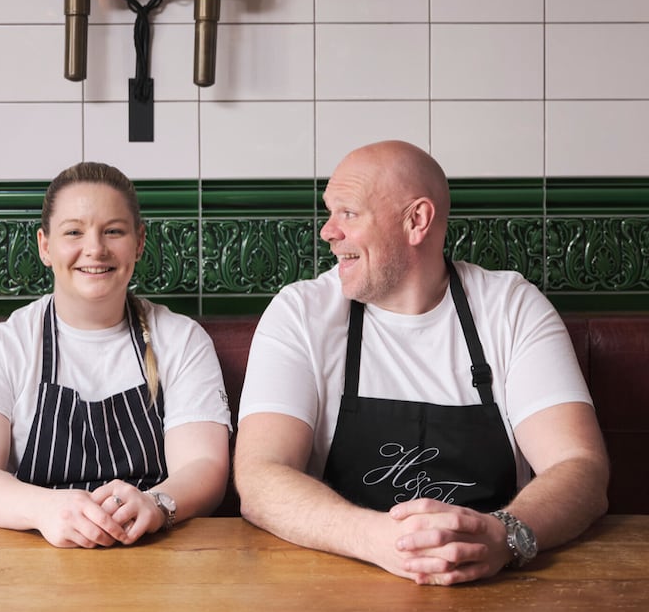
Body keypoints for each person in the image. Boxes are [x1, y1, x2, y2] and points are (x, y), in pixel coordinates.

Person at [234, 140, 609, 586]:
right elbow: (259, 477)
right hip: (341, 579)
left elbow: (580, 465)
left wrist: (502, 535)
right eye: (330, 213)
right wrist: (380, 541)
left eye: (348, 214)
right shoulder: (299, 313)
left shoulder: (510, 307)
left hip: (495, 583)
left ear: (417, 221)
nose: (328, 232)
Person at [0, 161, 231, 548]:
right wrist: (45, 509)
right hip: (30, 562)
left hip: (155, 556)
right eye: (74, 232)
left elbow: (205, 464)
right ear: (45, 246)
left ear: (139, 242)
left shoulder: (182, 340)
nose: (95, 249)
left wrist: (156, 504)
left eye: (113, 231)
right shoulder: (1, 347)